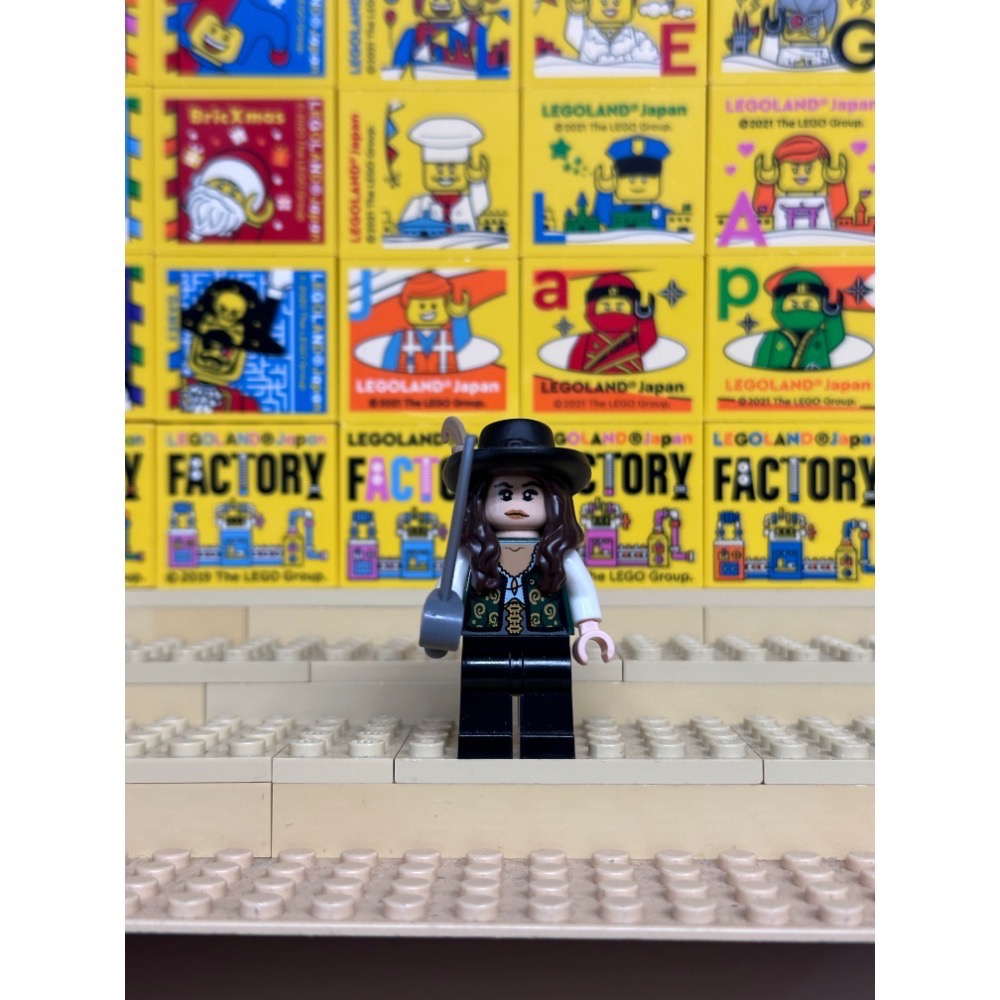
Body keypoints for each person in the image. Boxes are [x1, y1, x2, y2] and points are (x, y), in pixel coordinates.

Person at [434, 419, 615, 759]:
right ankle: (483, 744)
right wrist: (441, 622)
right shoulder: (472, 551)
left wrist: (590, 628)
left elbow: (580, 589)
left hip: (546, 635)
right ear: (479, 500)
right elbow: (451, 586)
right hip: (484, 635)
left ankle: (548, 743)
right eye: (504, 493)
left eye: (530, 494)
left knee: (549, 685)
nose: (516, 501)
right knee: (481, 686)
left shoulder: (558, 552)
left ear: (554, 501)